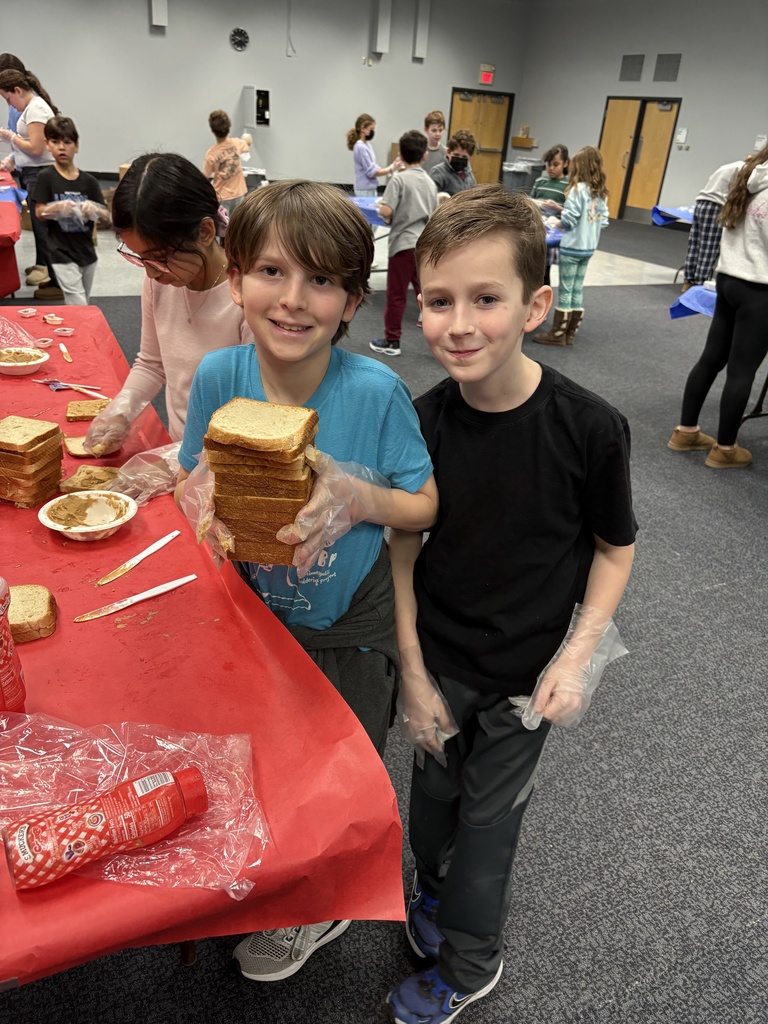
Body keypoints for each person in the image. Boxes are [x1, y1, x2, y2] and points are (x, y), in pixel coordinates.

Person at [174, 179, 438, 983]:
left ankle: (320, 909)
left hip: (348, 624)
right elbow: (197, 472)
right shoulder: (221, 377)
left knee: (337, 771)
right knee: (260, 756)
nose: (293, 301)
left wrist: (357, 497)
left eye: (321, 281)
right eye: (272, 273)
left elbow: (424, 505)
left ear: (354, 299)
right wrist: (197, 497)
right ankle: (271, 872)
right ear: (236, 279)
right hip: (254, 612)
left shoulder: (376, 393)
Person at [387, 183, 636, 1024]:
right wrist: (413, 676)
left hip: (526, 680)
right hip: (442, 663)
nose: (458, 325)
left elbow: (614, 549)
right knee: (429, 813)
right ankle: (435, 895)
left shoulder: (590, 428)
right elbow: (403, 554)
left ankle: (471, 962)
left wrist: (576, 656)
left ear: (535, 306)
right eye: (438, 301)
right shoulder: (420, 424)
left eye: (485, 299)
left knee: (487, 832)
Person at [84, 152, 252, 453]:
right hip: (181, 447)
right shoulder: (159, 282)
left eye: (161, 259)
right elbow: (152, 363)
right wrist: (121, 411)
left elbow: (253, 411)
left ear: (205, 231)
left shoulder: (247, 299)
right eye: (140, 259)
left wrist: (183, 461)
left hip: (232, 459)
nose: (150, 273)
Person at [667, 145, 768, 469]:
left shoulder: (748, 179)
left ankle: (686, 432)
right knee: (742, 371)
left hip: (728, 280)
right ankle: (725, 449)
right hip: (759, 289)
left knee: (711, 359)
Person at [370, 130, 438, 357]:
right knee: (427, 295)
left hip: (402, 245)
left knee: (397, 295)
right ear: (425, 156)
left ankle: (392, 341)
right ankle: (441, 339)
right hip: (423, 246)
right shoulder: (429, 182)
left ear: (401, 153)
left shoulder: (398, 179)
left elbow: (387, 210)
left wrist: (383, 210)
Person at [533, 145, 609, 347]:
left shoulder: (576, 190)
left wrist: (554, 223)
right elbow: (603, 220)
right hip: (589, 247)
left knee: (566, 288)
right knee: (577, 288)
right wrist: (561, 209)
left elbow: (570, 220)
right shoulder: (600, 193)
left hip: (572, 247)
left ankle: (558, 333)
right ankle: (571, 332)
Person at [30, 116, 110, 305]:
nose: (61, 147)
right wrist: (55, 208)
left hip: (86, 251)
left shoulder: (88, 181)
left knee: (83, 301)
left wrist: (95, 210)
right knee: (78, 302)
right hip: (60, 251)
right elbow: (39, 212)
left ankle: (74, 332)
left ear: (76, 146)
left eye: (67, 142)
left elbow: (107, 217)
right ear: (47, 145)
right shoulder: (46, 177)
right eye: (55, 142)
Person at [0, 66, 61, 297]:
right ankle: (52, 277)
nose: (9, 105)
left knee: (45, 230)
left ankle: (57, 283)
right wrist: (13, 158)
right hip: (35, 173)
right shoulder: (32, 109)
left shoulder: (35, 109)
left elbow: (36, 149)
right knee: (41, 228)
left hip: (41, 174)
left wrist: (10, 137)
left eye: (8, 98)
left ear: (17, 90)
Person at [681, 159, 744, 291]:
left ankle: (688, 282)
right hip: (717, 206)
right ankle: (699, 284)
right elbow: (739, 194)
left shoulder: (729, 166)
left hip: (701, 203)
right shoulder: (745, 170)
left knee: (695, 245)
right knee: (709, 249)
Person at [530, 143, 569, 286]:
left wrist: (557, 208)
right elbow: (531, 200)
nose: (551, 168)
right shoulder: (540, 181)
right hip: (538, 223)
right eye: (548, 164)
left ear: (565, 164)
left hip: (554, 230)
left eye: (556, 164)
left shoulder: (568, 185)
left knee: (545, 268)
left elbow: (570, 211)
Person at [202, 109, 252, 217]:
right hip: (239, 193)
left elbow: (204, 177)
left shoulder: (211, 154)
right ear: (229, 126)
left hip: (222, 196)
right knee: (237, 225)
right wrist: (247, 138)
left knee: (223, 228)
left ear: (212, 130)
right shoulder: (237, 143)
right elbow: (247, 143)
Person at [346, 113, 399, 196]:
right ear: (363, 128)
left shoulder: (367, 145)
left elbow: (374, 167)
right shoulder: (360, 147)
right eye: (371, 129)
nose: (373, 131)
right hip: (364, 190)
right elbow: (372, 172)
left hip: (370, 188)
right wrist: (391, 168)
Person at [429, 130, 477, 199]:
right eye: (456, 155)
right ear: (448, 152)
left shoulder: (469, 174)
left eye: (464, 157)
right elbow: (430, 199)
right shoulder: (438, 172)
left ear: (470, 157)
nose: (460, 159)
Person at [422, 110, 447, 174]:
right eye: (434, 130)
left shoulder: (446, 153)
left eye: (440, 130)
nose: (438, 134)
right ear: (426, 130)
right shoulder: (419, 150)